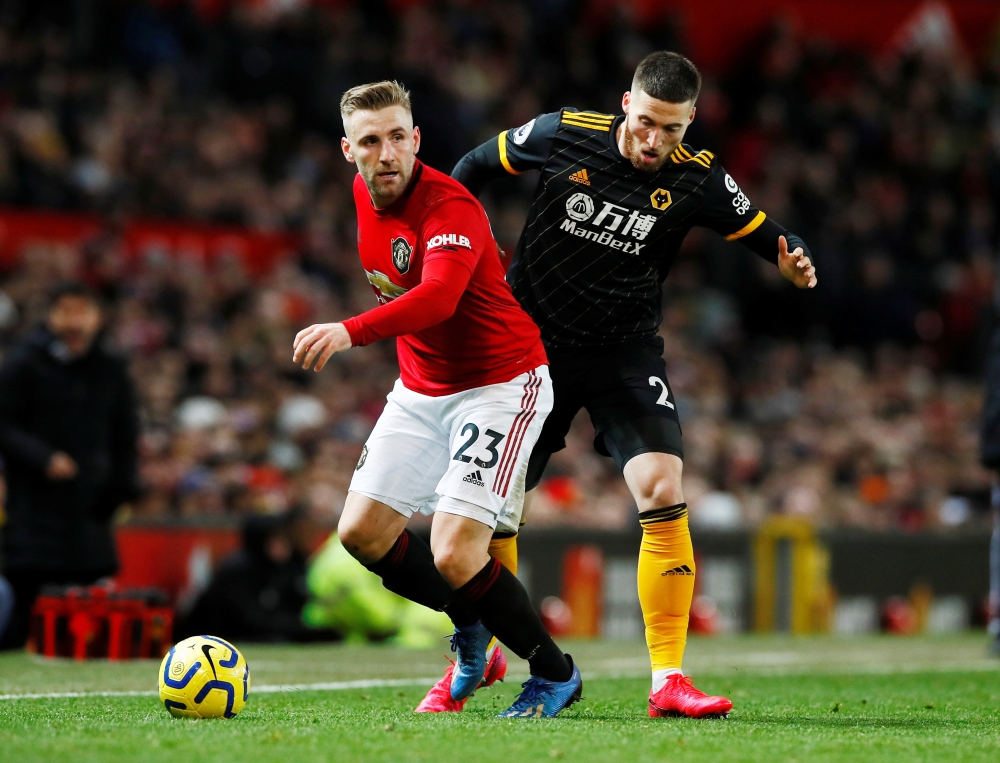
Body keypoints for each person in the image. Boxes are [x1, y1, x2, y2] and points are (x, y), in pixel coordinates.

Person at [451, 51, 817, 718]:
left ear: (691, 122)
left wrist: (792, 259)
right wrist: (455, 249)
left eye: (672, 129)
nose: (656, 141)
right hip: (530, 352)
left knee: (662, 487)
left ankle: (669, 679)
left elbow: (764, 230)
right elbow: (471, 168)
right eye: (647, 122)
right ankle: (500, 643)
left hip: (624, 353)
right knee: (501, 509)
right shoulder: (563, 133)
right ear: (627, 104)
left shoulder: (697, 178)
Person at [292, 80, 581, 718]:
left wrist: (349, 331)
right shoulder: (362, 196)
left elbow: (438, 298)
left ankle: (556, 672)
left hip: (501, 385)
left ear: (417, 138)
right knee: (360, 534)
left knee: (454, 551)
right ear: (349, 151)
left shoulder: (449, 206)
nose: (387, 151)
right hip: (423, 387)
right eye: (371, 141)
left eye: (399, 136)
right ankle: (474, 631)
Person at [0, 282, 140, 650]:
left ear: (97, 318)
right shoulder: (23, 364)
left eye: (83, 311)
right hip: (36, 503)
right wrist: (42, 457)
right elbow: (3, 425)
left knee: (86, 598)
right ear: (51, 316)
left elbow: (126, 433)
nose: (74, 321)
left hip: (91, 503)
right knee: (32, 594)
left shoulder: (111, 368)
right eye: (66, 311)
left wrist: (123, 487)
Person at [179, 512, 340, 643]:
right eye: (275, 539)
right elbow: (247, 621)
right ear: (260, 541)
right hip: (212, 638)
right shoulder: (238, 570)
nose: (282, 545)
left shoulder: (280, 567)